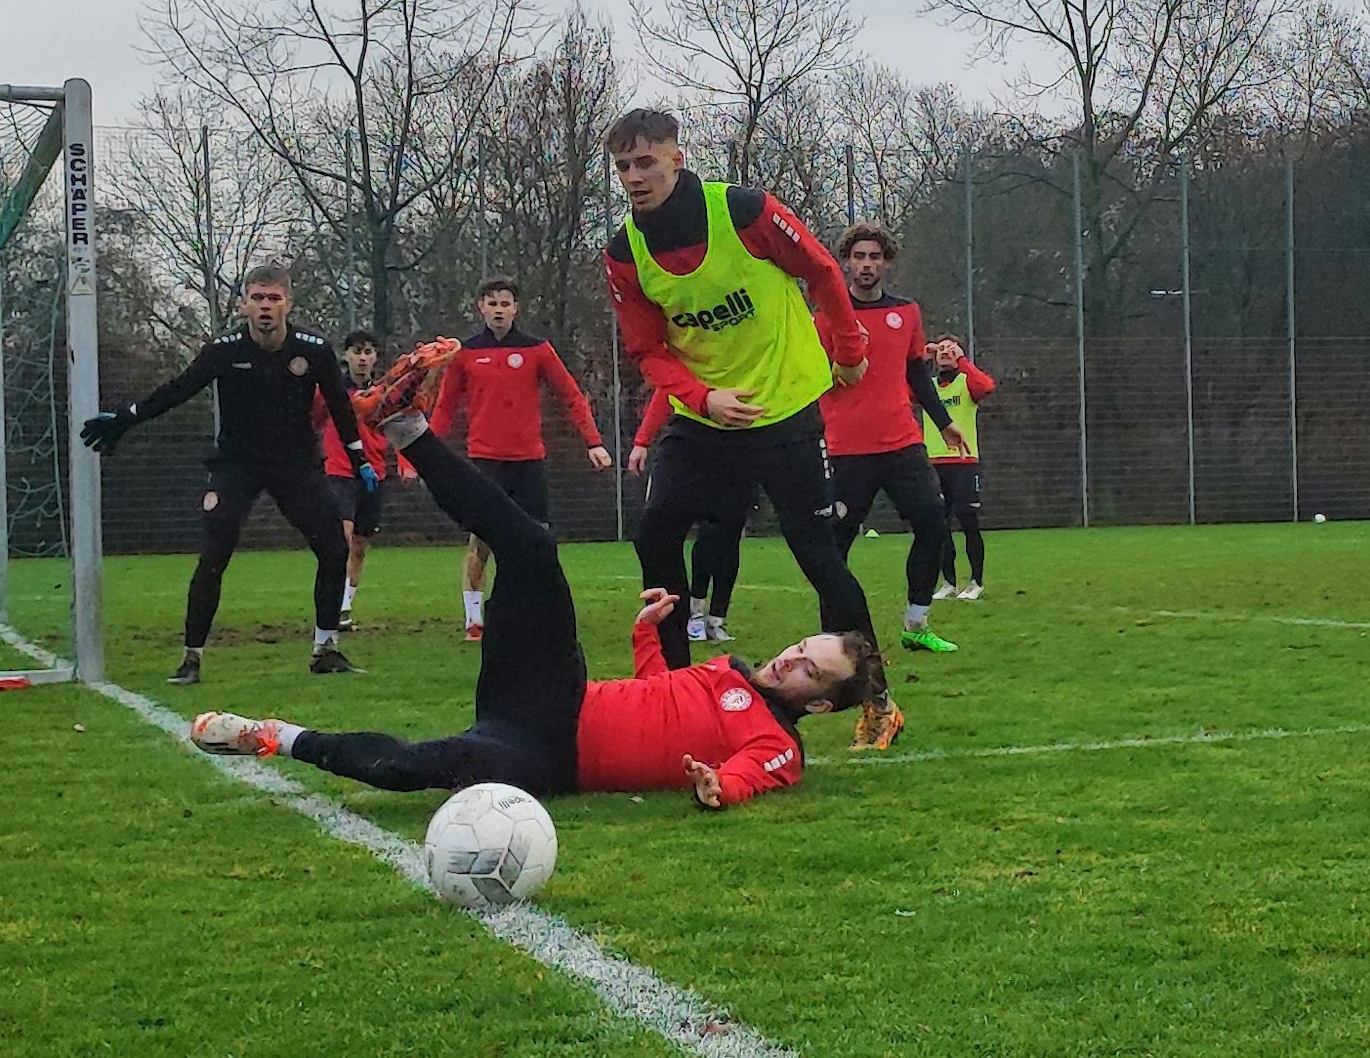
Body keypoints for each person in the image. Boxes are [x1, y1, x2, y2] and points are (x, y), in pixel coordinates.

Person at [189, 372, 884, 808]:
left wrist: (715, 786)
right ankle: (404, 426)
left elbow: (747, 776)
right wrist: (649, 630)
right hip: (557, 690)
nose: (791, 656)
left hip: (550, 757)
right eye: (801, 645)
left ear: (818, 701)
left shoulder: (778, 745)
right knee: (532, 547)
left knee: (428, 764)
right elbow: (659, 692)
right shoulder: (728, 670)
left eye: (809, 668)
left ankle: (276, 735)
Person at [600, 108, 901, 751]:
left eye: (646, 161)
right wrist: (702, 397)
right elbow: (647, 351)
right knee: (657, 533)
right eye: (623, 166)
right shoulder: (625, 251)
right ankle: (677, 695)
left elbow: (822, 270)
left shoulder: (743, 211)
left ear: (677, 158)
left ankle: (877, 700)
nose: (634, 176)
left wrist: (849, 350)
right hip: (703, 417)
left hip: (786, 410)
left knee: (816, 551)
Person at [80, 263, 374, 684]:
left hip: (296, 465)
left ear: (288, 303)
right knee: (216, 550)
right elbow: (180, 388)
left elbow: (341, 407)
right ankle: (191, 659)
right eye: (258, 298)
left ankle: (325, 650)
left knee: (333, 548)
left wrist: (359, 457)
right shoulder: (225, 349)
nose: (266, 307)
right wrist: (128, 418)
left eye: (274, 298)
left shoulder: (314, 350)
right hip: (237, 464)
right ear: (244, 305)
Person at [431, 277, 614, 641]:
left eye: (505, 303)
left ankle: (541, 614)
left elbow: (572, 396)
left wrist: (594, 442)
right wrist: (423, 457)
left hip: (528, 461)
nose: (499, 310)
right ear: (480, 307)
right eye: (492, 303)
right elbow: (445, 406)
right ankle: (473, 619)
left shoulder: (537, 349)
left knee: (539, 541)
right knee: (481, 540)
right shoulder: (465, 353)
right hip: (485, 461)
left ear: (516, 308)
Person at [821, 223, 968, 656]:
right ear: (847, 262)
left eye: (874, 257)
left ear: (886, 263)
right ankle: (835, 638)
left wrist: (942, 422)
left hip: (902, 442)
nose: (867, 265)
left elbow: (915, 373)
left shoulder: (906, 313)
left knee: (933, 524)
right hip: (847, 448)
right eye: (859, 257)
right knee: (835, 544)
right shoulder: (828, 316)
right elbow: (810, 376)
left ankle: (916, 624)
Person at [628, 386, 751, 644]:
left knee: (726, 538)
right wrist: (642, 441)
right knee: (661, 534)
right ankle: (690, 616)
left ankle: (716, 618)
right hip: (692, 446)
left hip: (739, 450)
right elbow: (666, 392)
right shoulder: (688, 365)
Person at [313, 330, 411, 632]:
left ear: (376, 357)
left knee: (359, 546)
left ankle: (345, 604)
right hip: (339, 470)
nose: (362, 358)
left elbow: (399, 428)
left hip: (374, 473)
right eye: (356, 352)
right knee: (341, 536)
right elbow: (314, 418)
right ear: (346, 356)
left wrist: (406, 465)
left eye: (368, 352)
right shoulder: (329, 390)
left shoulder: (384, 392)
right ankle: (335, 607)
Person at [924, 334, 996, 601]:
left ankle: (976, 581)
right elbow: (902, 384)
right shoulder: (928, 386)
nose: (944, 353)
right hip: (934, 463)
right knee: (939, 525)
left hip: (964, 463)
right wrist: (923, 356)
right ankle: (949, 582)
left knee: (968, 521)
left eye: (949, 349)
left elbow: (986, 386)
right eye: (940, 349)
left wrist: (962, 359)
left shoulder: (967, 382)